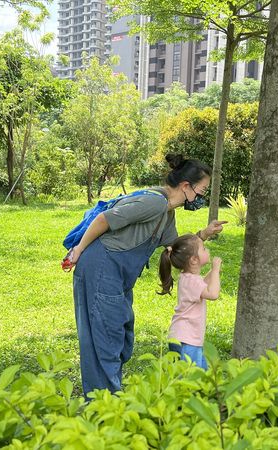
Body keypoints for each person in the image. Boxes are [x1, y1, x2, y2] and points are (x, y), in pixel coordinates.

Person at [67, 153, 227, 396]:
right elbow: (104, 219)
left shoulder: (167, 213)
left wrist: (203, 235)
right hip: (101, 269)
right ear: (186, 186)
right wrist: (78, 250)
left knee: (121, 334)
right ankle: (103, 403)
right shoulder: (155, 203)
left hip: (118, 277)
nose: (200, 197)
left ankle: (110, 393)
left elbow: (176, 247)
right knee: (105, 337)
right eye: (201, 191)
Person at [158, 234, 222, 369]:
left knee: (196, 375)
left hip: (181, 336)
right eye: (204, 249)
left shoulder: (188, 278)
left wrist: (211, 273)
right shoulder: (192, 281)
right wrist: (215, 270)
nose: (207, 250)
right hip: (187, 340)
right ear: (194, 260)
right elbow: (213, 294)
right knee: (191, 379)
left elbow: (202, 286)